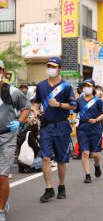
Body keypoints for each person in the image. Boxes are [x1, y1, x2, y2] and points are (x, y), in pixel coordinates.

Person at [32, 57, 77, 203]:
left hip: (62, 125)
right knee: (45, 157)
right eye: (48, 66)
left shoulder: (66, 86)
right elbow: (37, 102)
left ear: (59, 69)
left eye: (53, 66)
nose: (50, 68)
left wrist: (59, 104)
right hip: (46, 126)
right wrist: (35, 111)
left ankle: (61, 186)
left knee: (61, 159)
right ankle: (48, 189)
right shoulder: (41, 86)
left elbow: (73, 106)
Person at [0, 60, 31, 221]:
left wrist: (19, 121)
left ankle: (1, 210)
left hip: (7, 137)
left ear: (3, 72)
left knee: (2, 176)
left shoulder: (12, 91)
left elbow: (27, 107)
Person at [75, 79, 103, 183]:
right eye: (84, 86)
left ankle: (97, 166)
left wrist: (96, 119)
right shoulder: (79, 100)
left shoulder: (98, 100)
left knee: (96, 154)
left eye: (88, 86)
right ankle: (87, 174)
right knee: (85, 152)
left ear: (93, 88)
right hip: (82, 128)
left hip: (95, 128)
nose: (86, 87)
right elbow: (74, 111)